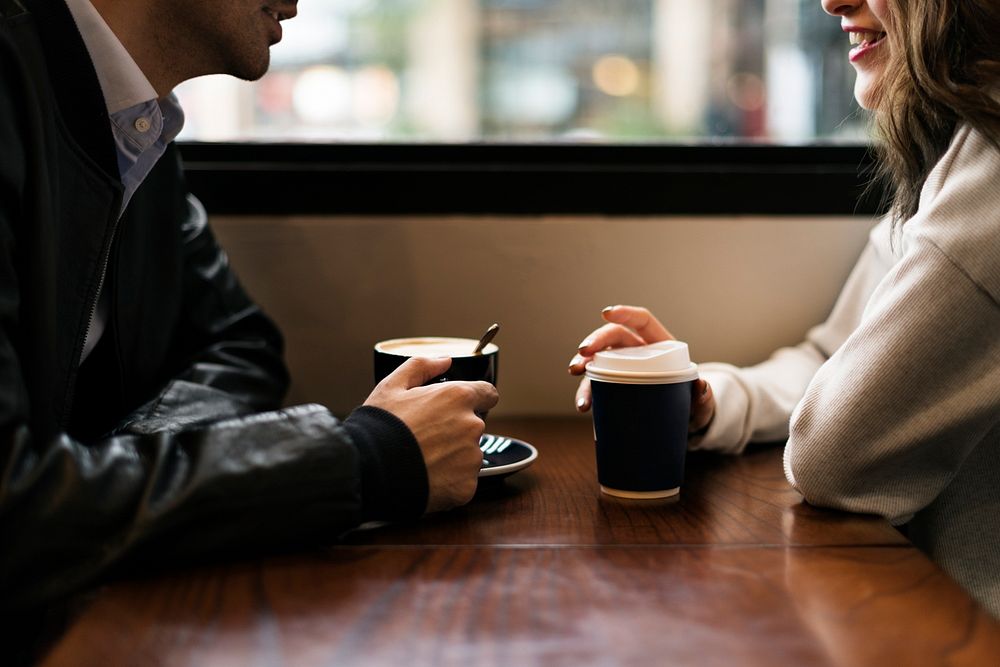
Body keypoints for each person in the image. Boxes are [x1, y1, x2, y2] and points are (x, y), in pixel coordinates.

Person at [0, 0, 498, 618]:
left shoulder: (136, 125)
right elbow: (11, 504)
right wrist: (361, 460)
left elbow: (240, 344)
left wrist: (108, 477)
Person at [569, 0, 1000, 618]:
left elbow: (835, 459)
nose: (831, 2)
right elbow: (837, 356)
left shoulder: (990, 167)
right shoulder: (951, 153)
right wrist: (710, 398)